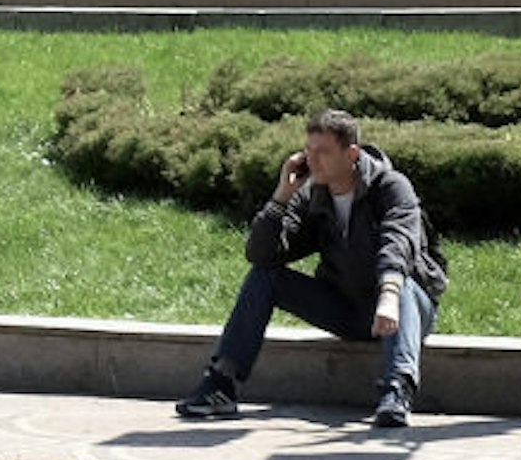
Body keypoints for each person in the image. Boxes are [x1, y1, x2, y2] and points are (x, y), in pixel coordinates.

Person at [173, 107, 446, 430]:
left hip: (405, 307)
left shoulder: (391, 186)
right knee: (266, 277)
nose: (313, 160)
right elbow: (263, 256)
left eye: (324, 152)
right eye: (309, 151)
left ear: (352, 153)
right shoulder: (312, 195)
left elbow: (399, 242)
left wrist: (388, 293)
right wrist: (281, 197)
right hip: (347, 307)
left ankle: (397, 391)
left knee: (403, 285)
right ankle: (221, 385)